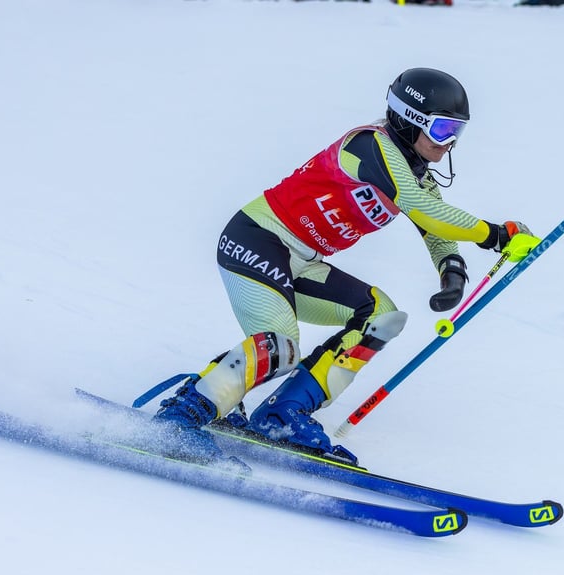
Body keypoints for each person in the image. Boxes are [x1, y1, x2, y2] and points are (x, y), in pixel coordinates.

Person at [153, 67, 540, 465]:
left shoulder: (415, 171)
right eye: (442, 130)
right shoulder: (370, 147)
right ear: (409, 119)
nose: (450, 143)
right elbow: (427, 212)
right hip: (256, 238)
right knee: (282, 347)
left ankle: (284, 415)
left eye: (458, 131)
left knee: (382, 316)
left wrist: (451, 272)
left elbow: (434, 227)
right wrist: (496, 234)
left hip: (300, 260)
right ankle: (184, 414)